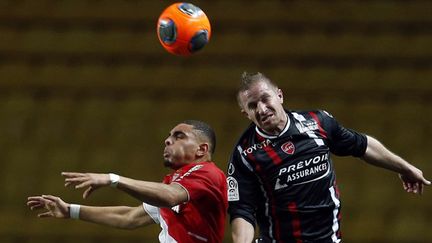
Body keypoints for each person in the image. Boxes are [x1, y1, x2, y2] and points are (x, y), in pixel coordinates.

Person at [227, 72, 430, 243]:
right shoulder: (244, 154)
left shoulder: (317, 122)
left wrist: (404, 167)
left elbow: (362, 145)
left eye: (265, 98)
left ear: (279, 95)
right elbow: (242, 211)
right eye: (253, 106)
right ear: (246, 114)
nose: (261, 109)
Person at [27, 120, 228, 243]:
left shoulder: (209, 174)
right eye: (168, 136)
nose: (168, 140)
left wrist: (113, 179)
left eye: (179, 136)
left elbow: (170, 197)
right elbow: (130, 217)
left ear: (201, 149)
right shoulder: (174, 182)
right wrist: (71, 210)